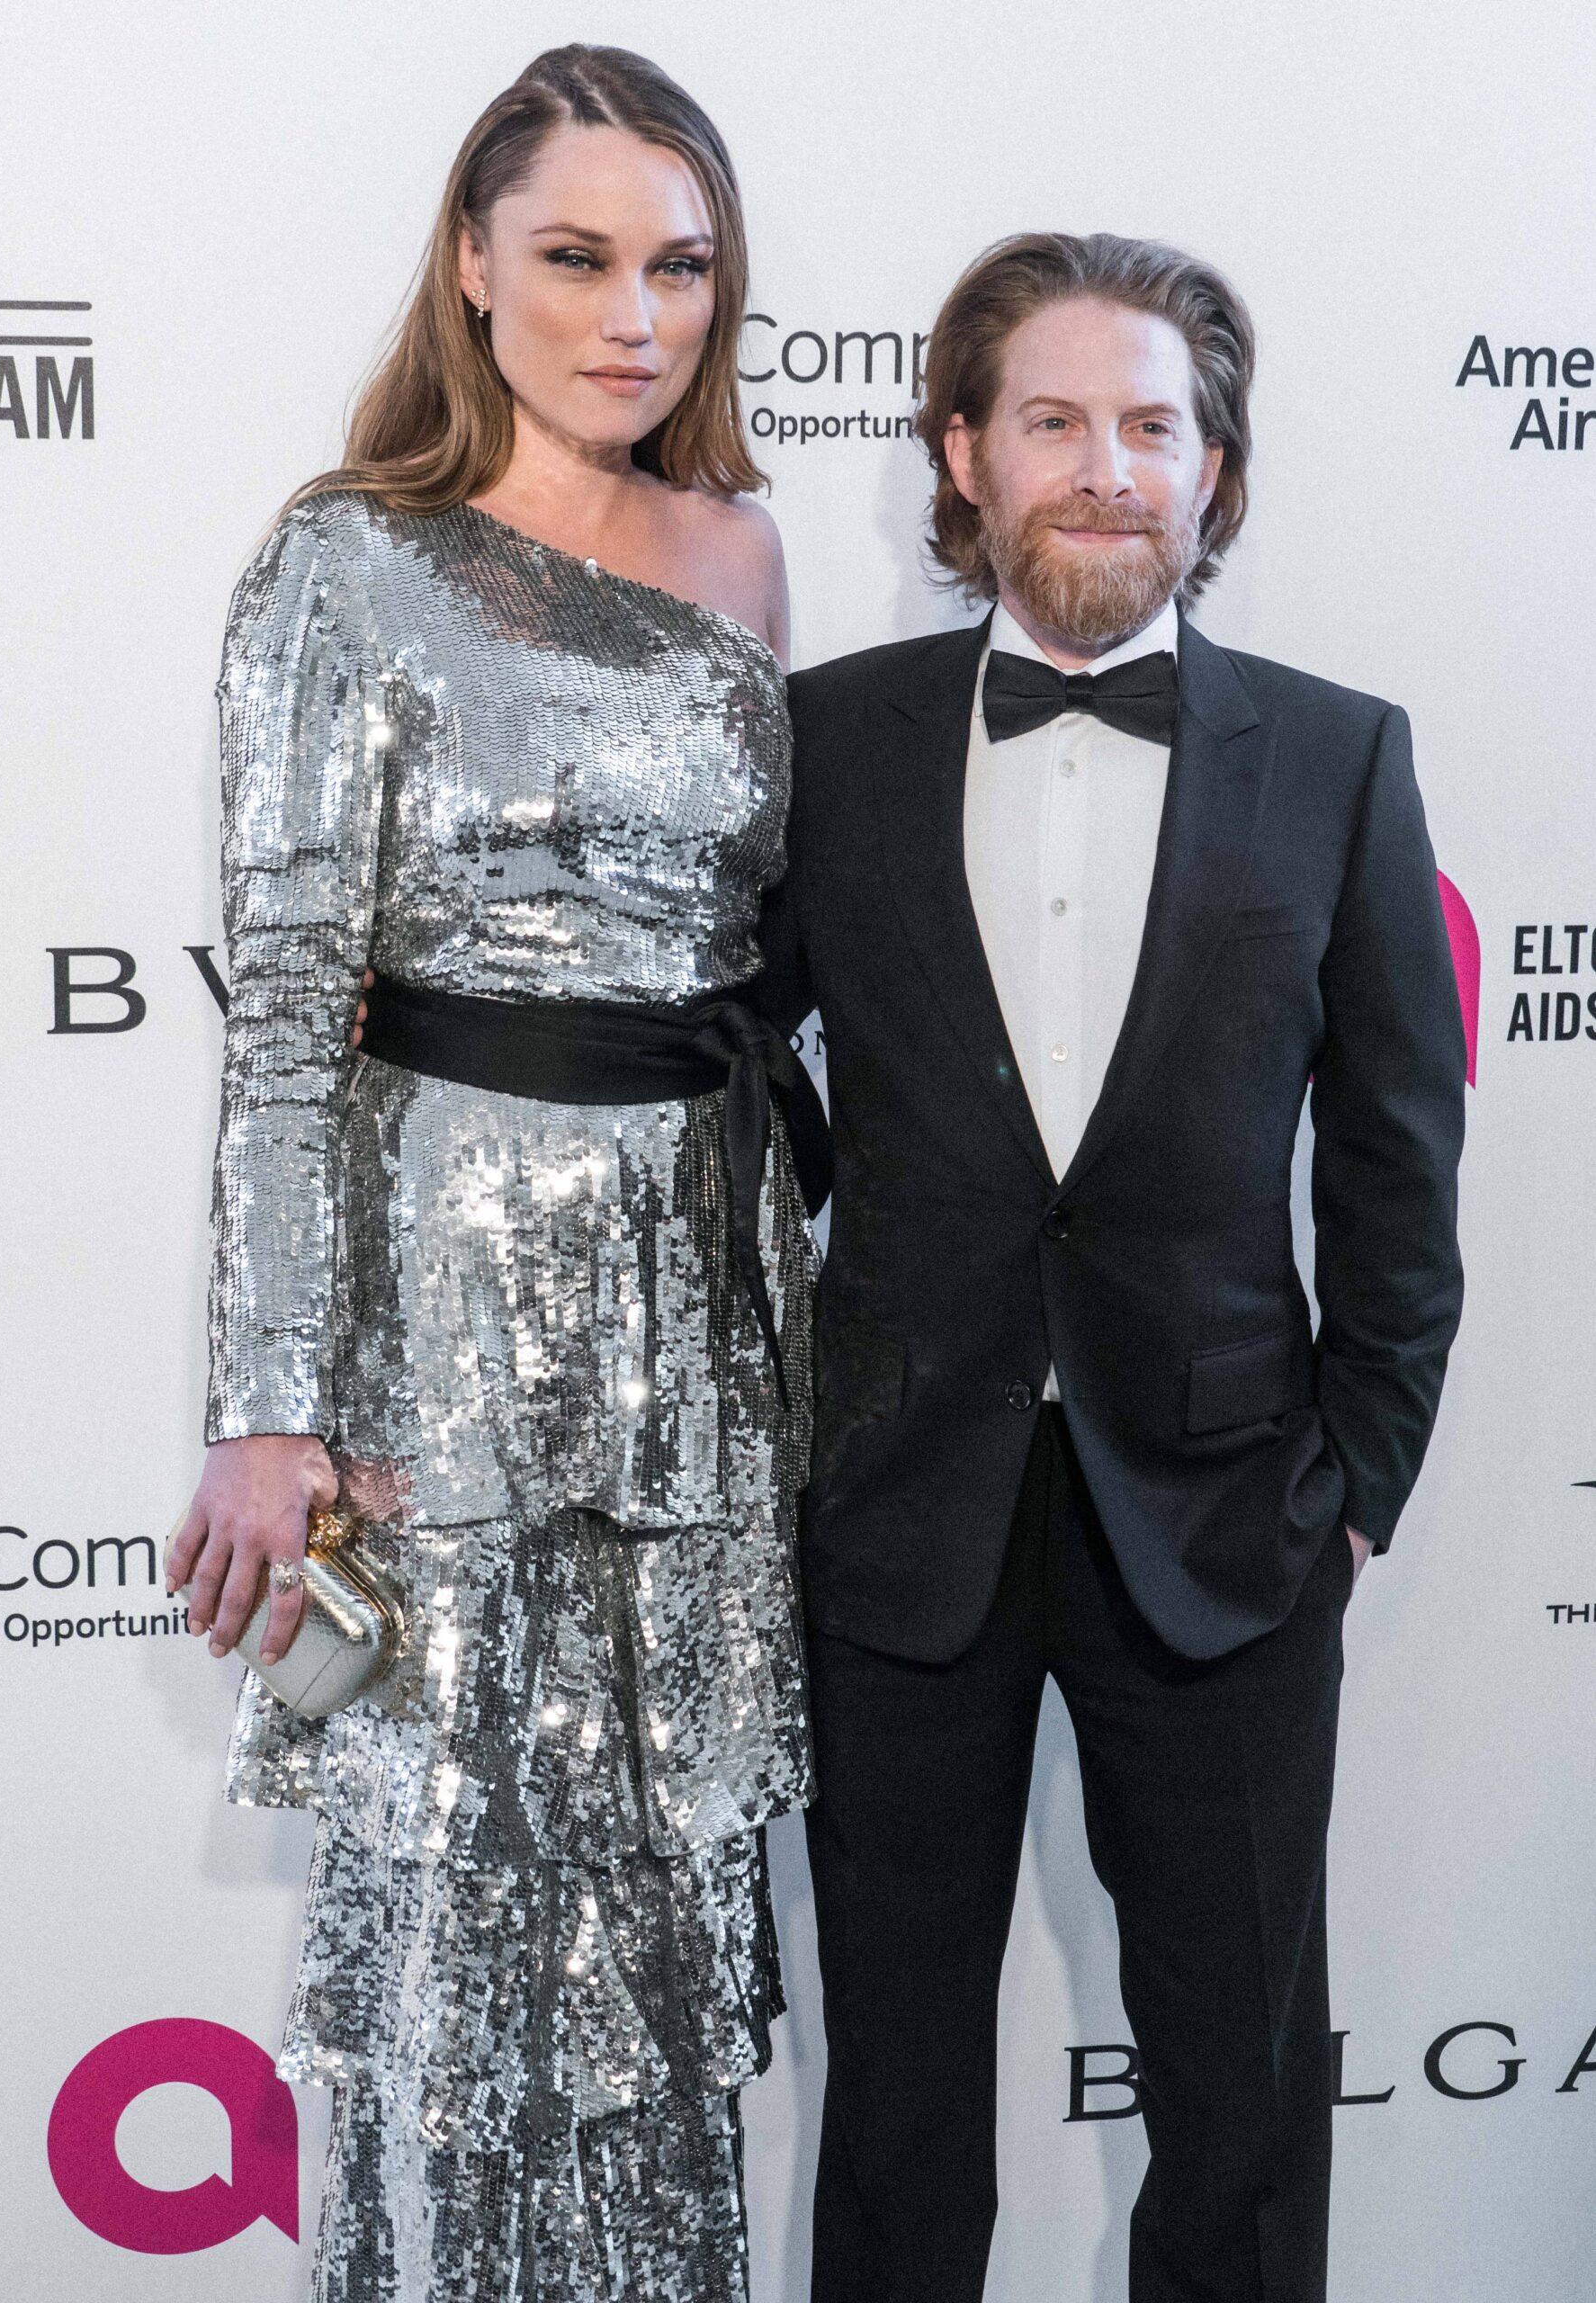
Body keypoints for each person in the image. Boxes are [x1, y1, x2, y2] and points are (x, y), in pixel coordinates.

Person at [164, 45, 825, 2303]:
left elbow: (757, 955)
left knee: (657, 1904)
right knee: (462, 1904)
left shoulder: (743, 553)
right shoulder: (348, 556)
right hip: (443, 1310)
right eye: (577, 257)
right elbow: (282, 1017)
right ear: (471, 261)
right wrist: (269, 1401)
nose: (635, 313)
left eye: (680, 266)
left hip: (703, 1318)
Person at [758, 233, 1466, 2301]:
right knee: (893, 2093)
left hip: (1238, 1512)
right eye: (1054, 419)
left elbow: (1404, 1166)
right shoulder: (830, 742)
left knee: (1239, 2104)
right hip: (895, 1507)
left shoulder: (1339, 758)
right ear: (962, 454)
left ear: (1216, 475)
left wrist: (1357, 1484)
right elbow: (730, 1081)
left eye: (1154, 425)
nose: (1106, 466)